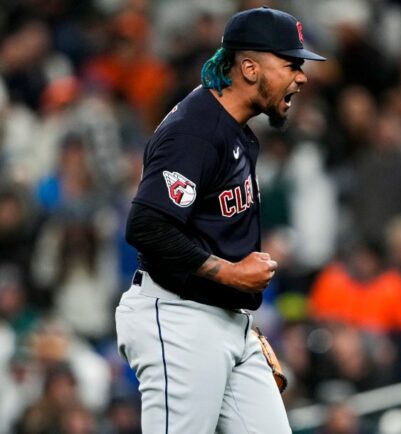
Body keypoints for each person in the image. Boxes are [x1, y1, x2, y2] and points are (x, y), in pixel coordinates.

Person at [115, 7, 325, 433]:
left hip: (224, 321)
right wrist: (229, 274)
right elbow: (146, 227)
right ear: (249, 67)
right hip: (178, 320)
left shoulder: (233, 128)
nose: (301, 76)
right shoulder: (196, 131)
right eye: (291, 63)